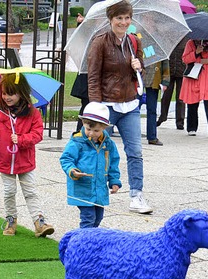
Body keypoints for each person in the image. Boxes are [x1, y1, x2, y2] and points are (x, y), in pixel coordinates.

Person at [0, 73, 54, 237]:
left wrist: (22, 139)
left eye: (11, 93)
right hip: (4, 161)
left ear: (21, 92)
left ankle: (39, 222)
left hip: (25, 162)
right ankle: (11, 219)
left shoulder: (33, 113)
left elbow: (38, 134)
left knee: (30, 192)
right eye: (4, 93)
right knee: (9, 191)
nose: (7, 97)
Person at [86, 0, 152, 214]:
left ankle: (136, 195)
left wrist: (138, 67)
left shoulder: (133, 41)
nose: (123, 22)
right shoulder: (100, 42)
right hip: (107, 105)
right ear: (110, 20)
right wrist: (95, 107)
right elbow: (93, 76)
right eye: (119, 18)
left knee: (135, 151)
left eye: (127, 18)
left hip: (130, 104)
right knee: (95, 148)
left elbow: (140, 75)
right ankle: (92, 190)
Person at [60, 102, 121, 228]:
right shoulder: (77, 141)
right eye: (88, 129)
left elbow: (113, 163)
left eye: (96, 130)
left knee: (98, 217)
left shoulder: (108, 144)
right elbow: (66, 159)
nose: (91, 133)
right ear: (83, 123)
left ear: (104, 127)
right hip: (83, 188)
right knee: (88, 218)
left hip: (99, 189)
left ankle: (89, 240)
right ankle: (82, 243)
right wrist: (72, 170)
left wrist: (114, 180)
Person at [179, 39, 208, 138]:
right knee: (192, 103)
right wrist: (196, 53)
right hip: (194, 76)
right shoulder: (190, 43)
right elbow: (185, 59)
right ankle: (192, 128)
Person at [158, 37, 188, 130]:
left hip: (182, 71)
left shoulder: (187, 39)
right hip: (169, 71)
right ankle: (163, 116)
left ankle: (180, 121)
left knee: (181, 98)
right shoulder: (168, 38)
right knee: (166, 96)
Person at [142, 60, 169, 145]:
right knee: (133, 111)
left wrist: (165, 81)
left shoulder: (160, 49)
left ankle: (152, 137)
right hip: (138, 81)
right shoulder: (137, 48)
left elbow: (165, 66)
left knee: (152, 110)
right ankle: (131, 135)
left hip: (154, 82)